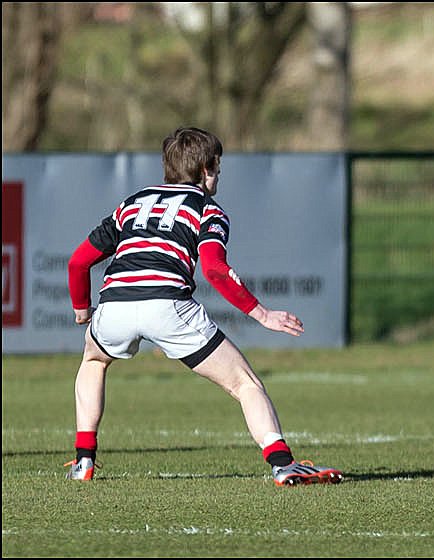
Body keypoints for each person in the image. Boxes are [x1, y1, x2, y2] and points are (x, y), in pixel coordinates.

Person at [64, 126, 343, 486]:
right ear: (206, 169)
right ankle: (283, 464)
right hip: (168, 305)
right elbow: (213, 268)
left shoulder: (132, 203)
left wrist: (82, 308)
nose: (219, 174)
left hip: (115, 303)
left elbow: (78, 262)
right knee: (244, 383)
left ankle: (83, 461)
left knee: (93, 361)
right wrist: (262, 314)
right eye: (218, 167)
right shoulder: (207, 210)